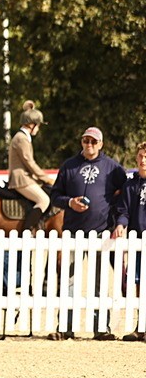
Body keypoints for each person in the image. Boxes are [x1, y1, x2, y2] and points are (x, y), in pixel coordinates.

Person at [48, 127, 126, 340]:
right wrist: (69, 202)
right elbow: (55, 196)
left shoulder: (113, 168)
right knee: (68, 281)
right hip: (73, 234)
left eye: (93, 141)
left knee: (100, 282)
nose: (89, 144)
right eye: (85, 140)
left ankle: (101, 328)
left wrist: (119, 220)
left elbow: (124, 197)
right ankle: (65, 327)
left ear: (101, 144)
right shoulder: (69, 166)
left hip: (102, 234)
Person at [113, 142, 146, 341]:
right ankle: (140, 326)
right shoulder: (130, 185)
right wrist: (120, 224)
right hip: (136, 242)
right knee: (138, 285)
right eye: (141, 156)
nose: (143, 160)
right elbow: (123, 210)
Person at [7, 101, 53, 230]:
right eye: (38, 126)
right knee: (44, 200)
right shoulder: (21, 138)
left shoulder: (23, 137)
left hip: (26, 177)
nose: (38, 129)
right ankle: (27, 231)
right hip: (21, 179)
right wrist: (46, 178)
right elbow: (29, 162)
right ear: (32, 125)